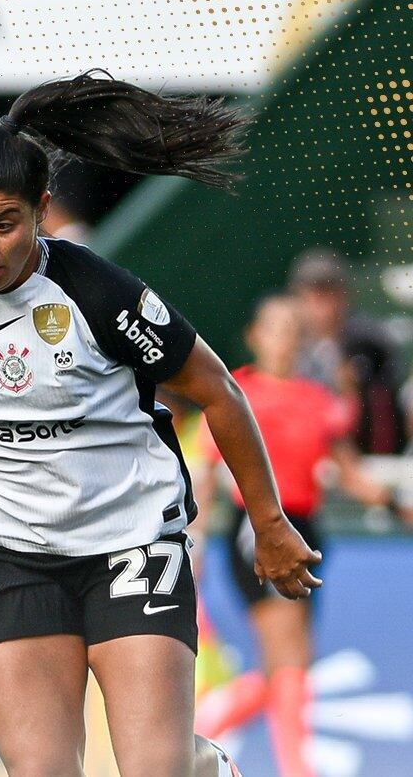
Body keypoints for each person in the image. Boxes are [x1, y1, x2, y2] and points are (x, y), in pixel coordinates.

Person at [0, 71, 322, 777]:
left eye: (4, 224)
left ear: (41, 209)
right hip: (11, 559)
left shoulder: (98, 291)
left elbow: (221, 394)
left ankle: (196, 764)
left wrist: (271, 525)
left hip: (131, 545)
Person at [193, 293, 404, 777]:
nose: (285, 338)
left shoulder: (318, 402)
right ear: (255, 336)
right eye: (275, 327)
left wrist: (396, 505)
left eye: (294, 329)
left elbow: (350, 475)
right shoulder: (234, 393)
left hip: (306, 532)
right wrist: (197, 542)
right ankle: (296, 769)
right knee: (289, 656)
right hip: (259, 530)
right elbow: (206, 477)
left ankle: (205, 725)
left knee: (287, 665)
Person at [289, 247, 408, 454]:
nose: (321, 304)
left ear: (344, 294)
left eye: (329, 292)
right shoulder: (287, 342)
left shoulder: (370, 342)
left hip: (367, 456)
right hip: (304, 456)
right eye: (313, 293)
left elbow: (385, 410)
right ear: (298, 298)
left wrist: (352, 387)